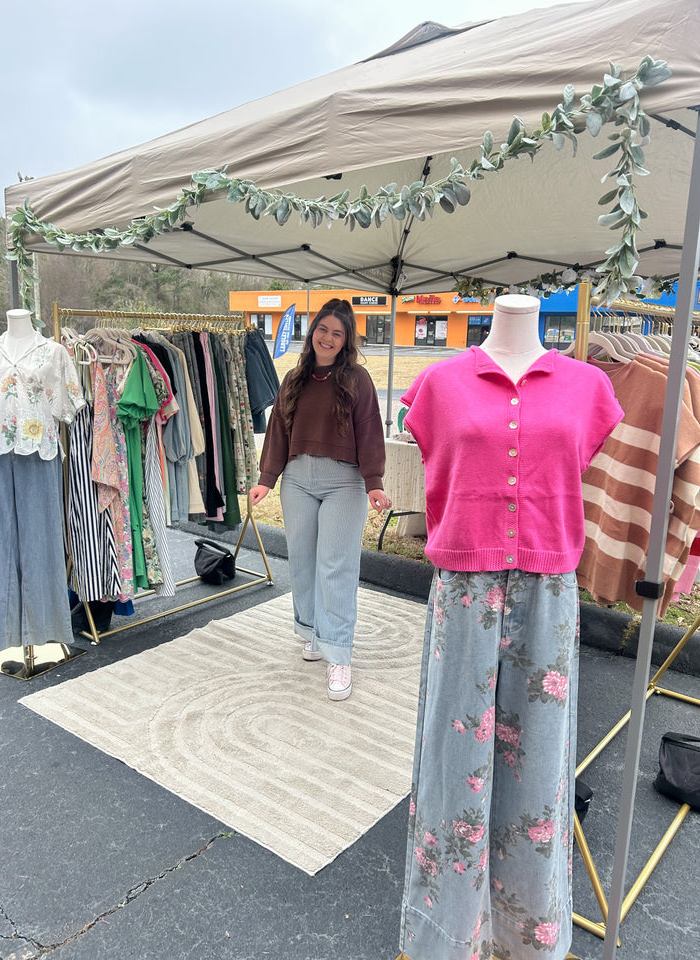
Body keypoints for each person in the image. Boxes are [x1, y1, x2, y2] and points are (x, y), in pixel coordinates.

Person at [397, 294, 624, 960]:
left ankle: (527, 938)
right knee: (452, 766)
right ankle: (448, 935)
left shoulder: (590, 388)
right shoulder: (439, 384)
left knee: (538, 772)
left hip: (548, 593)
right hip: (462, 595)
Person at [249, 298, 391, 701]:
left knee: (337, 565)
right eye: (322, 329)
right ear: (312, 333)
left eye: (337, 333)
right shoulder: (294, 377)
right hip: (297, 480)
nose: (327, 338)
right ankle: (313, 631)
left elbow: (369, 430)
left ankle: (339, 652)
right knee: (304, 561)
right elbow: (278, 427)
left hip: (343, 482)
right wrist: (267, 478)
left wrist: (373, 481)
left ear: (346, 341)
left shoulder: (357, 379)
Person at [0, 308, 85, 657]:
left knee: (43, 542)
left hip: (40, 452)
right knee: (3, 542)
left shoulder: (53, 352)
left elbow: (68, 406)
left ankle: (47, 630)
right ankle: (8, 636)